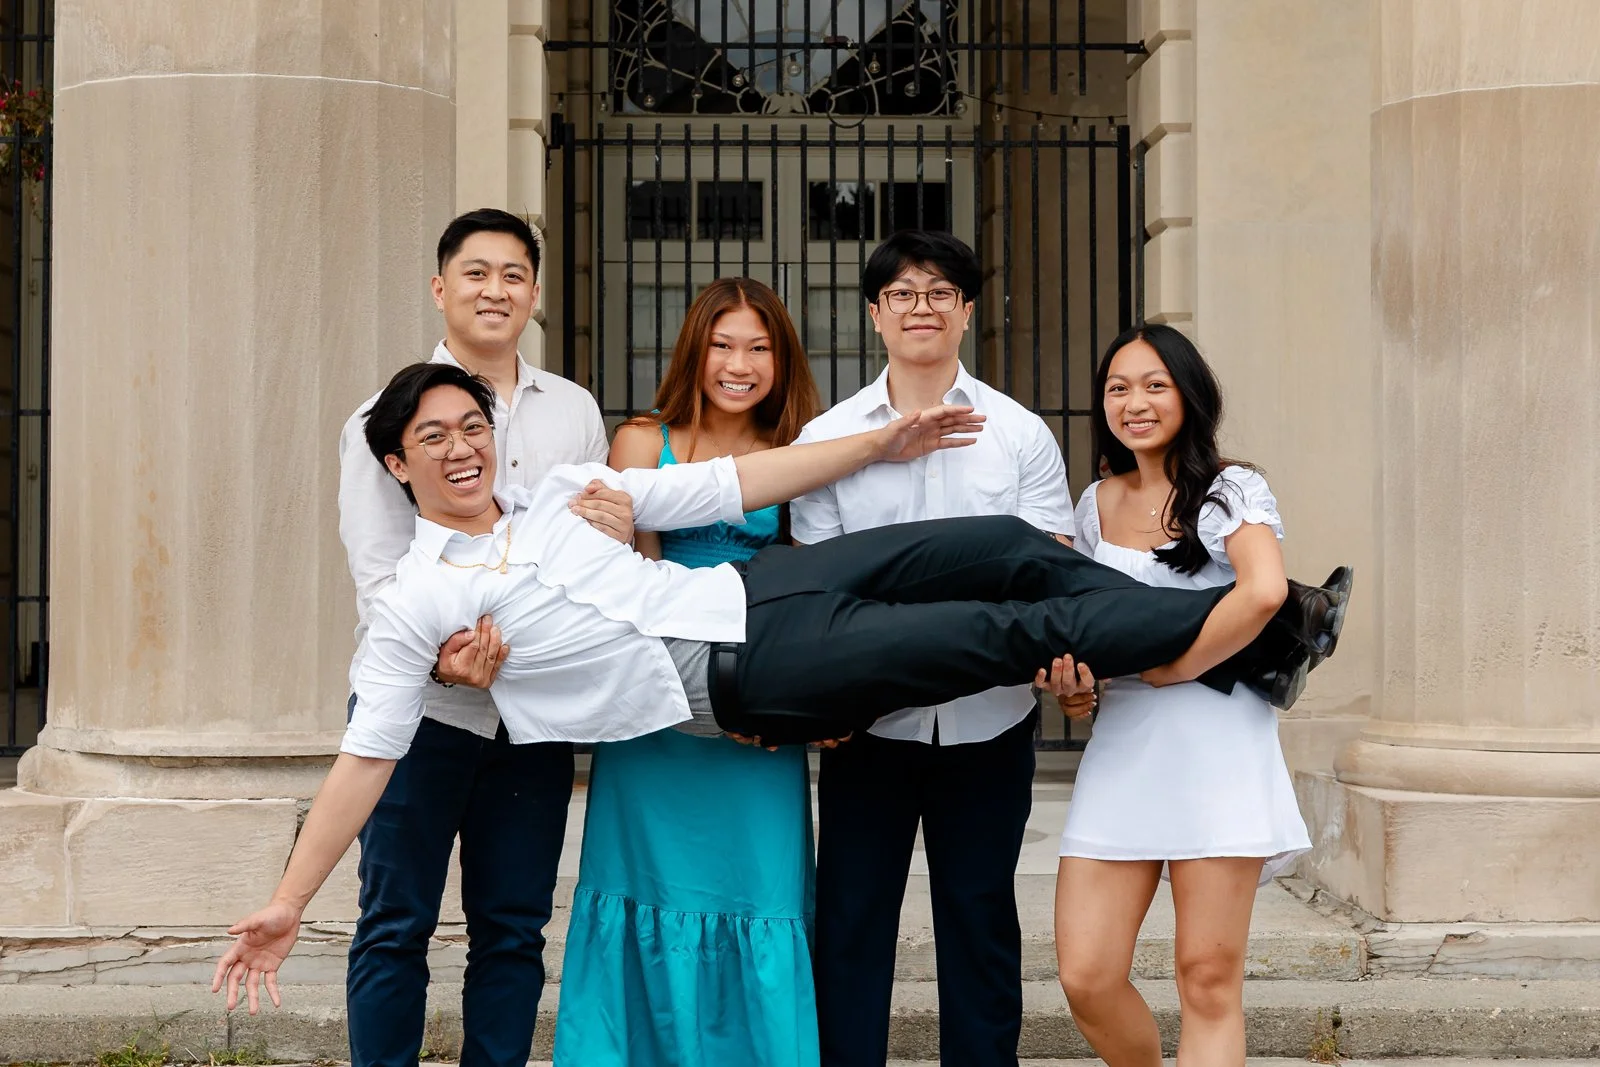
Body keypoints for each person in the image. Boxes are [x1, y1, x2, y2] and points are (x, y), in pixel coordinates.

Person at [212, 359, 1348, 1017]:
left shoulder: (562, 490)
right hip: (743, 673)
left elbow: (729, 478)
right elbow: (367, 756)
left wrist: (874, 447)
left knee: (998, 541)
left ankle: (1243, 639)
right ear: (399, 463)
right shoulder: (417, 600)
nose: (461, 446)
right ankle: (1268, 624)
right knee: (1005, 629)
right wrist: (286, 897)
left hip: (764, 589)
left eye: (471, 424)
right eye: (433, 437)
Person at [331, 208, 636, 1067]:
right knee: (396, 923)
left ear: (534, 294)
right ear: (440, 288)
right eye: (475, 272)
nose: (494, 289)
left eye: (512, 275)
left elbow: (584, 550)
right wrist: (443, 658)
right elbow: (378, 567)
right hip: (420, 710)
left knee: (513, 928)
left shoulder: (572, 409)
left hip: (534, 716)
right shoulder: (383, 413)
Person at [789, 229, 1080, 1067]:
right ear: (876, 312)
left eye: (940, 291)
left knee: (981, 918)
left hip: (990, 722)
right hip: (868, 729)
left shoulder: (1018, 433)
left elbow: (1045, 571)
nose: (922, 306)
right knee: (850, 922)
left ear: (967, 312)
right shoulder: (832, 433)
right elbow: (821, 584)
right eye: (903, 292)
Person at [1053, 324, 1347, 1067]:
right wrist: (1076, 690)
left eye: (1154, 384)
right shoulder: (1095, 502)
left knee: (1208, 978)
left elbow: (1265, 588)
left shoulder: (1230, 489)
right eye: (1118, 388)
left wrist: (1174, 668)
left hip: (1217, 745)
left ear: (1189, 394)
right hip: (1123, 749)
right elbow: (1090, 624)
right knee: (1086, 974)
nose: (1135, 401)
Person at [554, 278, 826, 1067]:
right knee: (644, 891)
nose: (739, 364)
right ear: (694, 350)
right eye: (723, 344)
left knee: (761, 896)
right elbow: (620, 587)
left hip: (758, 720)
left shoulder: (801, 448)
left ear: (782, 358)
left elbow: (814, 587)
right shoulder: (643, 440)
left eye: (759, 347)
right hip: (654, 716)